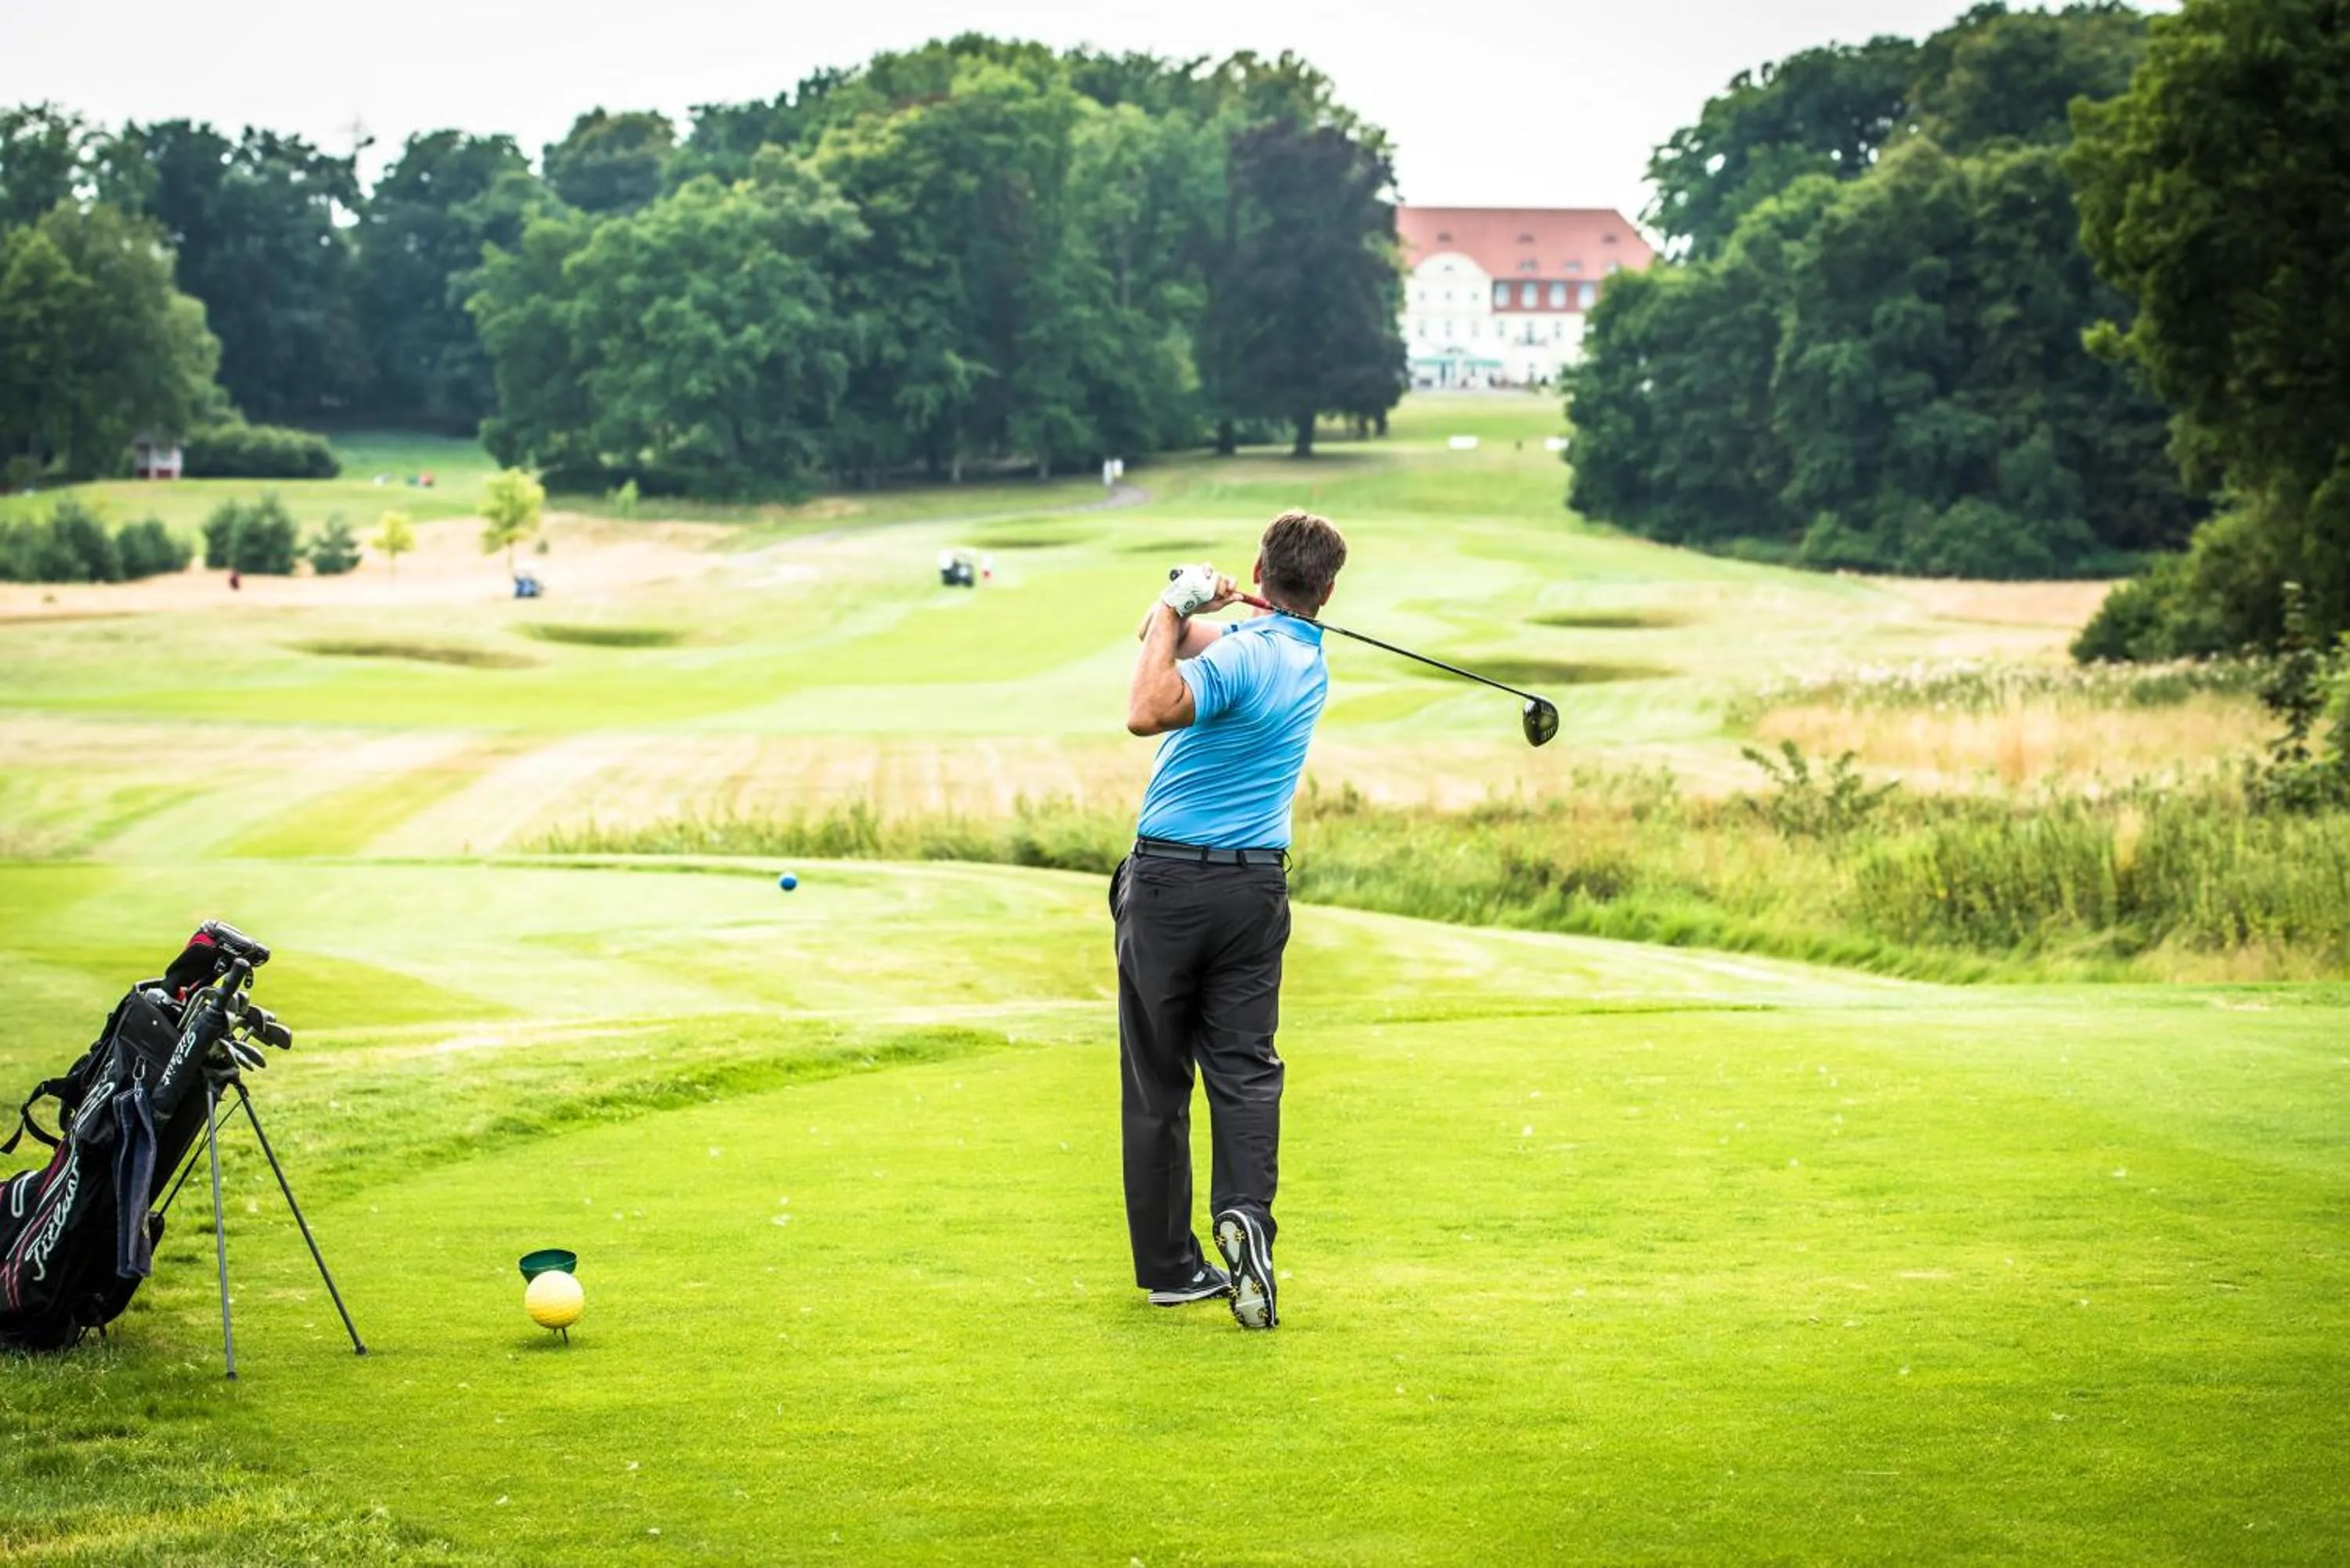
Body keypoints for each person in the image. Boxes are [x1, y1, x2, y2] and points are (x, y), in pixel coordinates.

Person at [1114, 509, 1348, 1331]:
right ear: (1328, 589)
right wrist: (1181, 603)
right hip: (1254, 891)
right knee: (1246, 1069)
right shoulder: (1306, 663)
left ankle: (1174, 1269)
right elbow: (1165, 636)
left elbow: (1148, 705)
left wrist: (1178, 605)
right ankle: (1246, 1215)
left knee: (1157, 1081)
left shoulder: (1245, 656)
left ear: (1260, 565)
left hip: (1172, 883)